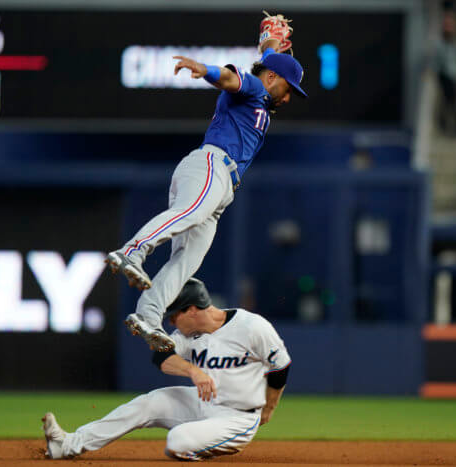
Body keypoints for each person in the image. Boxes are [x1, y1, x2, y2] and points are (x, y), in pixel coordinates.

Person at [104, 13, 306, 352]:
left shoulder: (263, 83)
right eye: (289, 88)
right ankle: (132, 251)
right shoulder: (256, 89)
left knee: (187, 260)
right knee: (189, 212)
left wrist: (271, 40)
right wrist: (205, 70)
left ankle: (149, 315)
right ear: (273, 78)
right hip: (212, 165)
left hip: (221, 186)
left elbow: (263, 64)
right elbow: (230, 78)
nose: (288, 97)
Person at [41, 278, 291, 462]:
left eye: (174, 316)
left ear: (192, 309)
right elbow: (161, 358)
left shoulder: (251, 326)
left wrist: (268, 408)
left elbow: (279, 366)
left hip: (237, 418)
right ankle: (68, 444)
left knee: (178, 442)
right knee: (150, 402)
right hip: (202, 403)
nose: (171, 322)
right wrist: (193, 371)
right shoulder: (189, 333)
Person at [435, 10, 456, 136]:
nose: (450, 27)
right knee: (449, 101)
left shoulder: (454, 44)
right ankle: (452, 125)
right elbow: (438, 60)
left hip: (453, 76)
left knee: (452, 101)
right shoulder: (441, 44)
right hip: (444, 75)